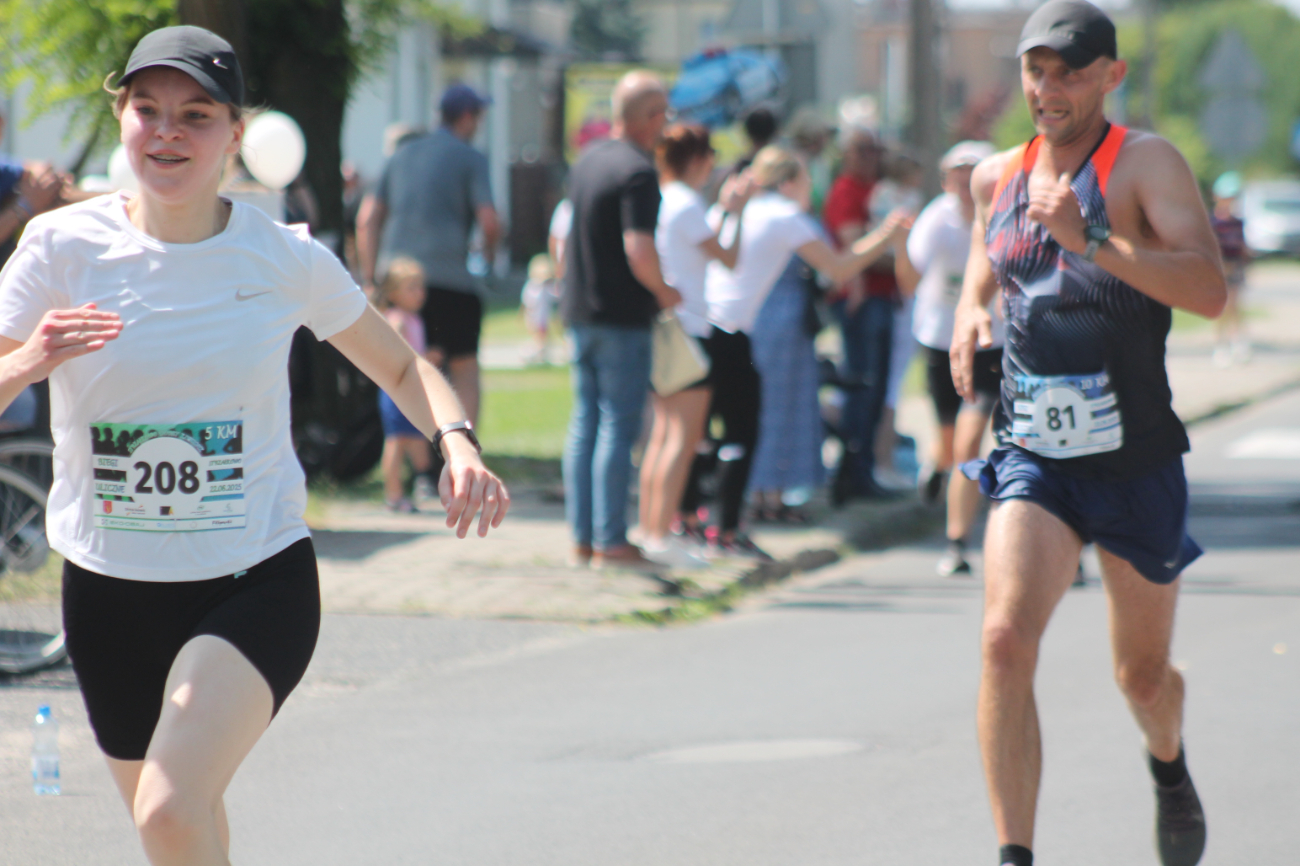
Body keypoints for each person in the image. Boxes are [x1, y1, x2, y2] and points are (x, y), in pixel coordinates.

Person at [0, 26, 508, 865]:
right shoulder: (61, 247)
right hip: (107, 584)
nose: (167, 132)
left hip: (253, 578)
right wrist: (29, 361)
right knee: (183, 824)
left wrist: (458, 444)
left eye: (196, 115)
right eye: (148, 109)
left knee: (169, 809)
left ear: (236, 133)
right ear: (122, 117)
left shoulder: (282, 257)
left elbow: (401, 364)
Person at [949, 4, 1226, 865]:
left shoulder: (1144, 163)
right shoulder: (996, 176)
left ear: (1111, 75)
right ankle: (1014, 855)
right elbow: (984, 261)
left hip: (1134, 459)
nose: (1049, 88)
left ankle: (1168, 766)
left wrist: (1092, 238)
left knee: (1141, 677)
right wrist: (968, 313)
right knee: (1003, 640)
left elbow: (1208, 289)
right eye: (1036, 70)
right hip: (1033, 453)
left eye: (1069, 71)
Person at [681, 146, 908, 557]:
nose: (810, 188)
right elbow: (838, 268)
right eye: (805, 179)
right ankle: (727, 531)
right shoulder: (784, 216)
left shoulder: (733, 209)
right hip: (731, 330)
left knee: (697, 433)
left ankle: (687, 524)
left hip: (698, 326)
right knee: (741, 435)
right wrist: (887, 235)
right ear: (788, 183)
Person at [560, 71, 680, 569]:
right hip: (622, 316)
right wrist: (665, 292)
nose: (666, 124)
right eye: (664, 114)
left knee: (584, 424)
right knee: (618, 426)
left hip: (580, 310)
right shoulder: (638, 170)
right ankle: (612, 540)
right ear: (650, 117)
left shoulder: (588, 160)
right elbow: (639, 250)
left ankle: (583, 538)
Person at [638, 123, 749, 567]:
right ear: (699, 160)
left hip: (665, 328)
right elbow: (729, 257)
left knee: (661, 435)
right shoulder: (687, 202)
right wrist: (735, 211)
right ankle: (660, 535)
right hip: (690, 330)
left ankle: (649, 529)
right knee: (681, 440)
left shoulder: (662, 199)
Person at [356, 84, 500, 424]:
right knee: (464, 367)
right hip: (452, 280)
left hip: (399, 281)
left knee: (404, 370)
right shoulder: (471, 157)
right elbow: (490, 221)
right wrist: (488, 260)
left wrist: (372, 278)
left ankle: (413, 450)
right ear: (467, 117)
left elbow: (367, 219)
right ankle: (463, 447)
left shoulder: (400, 154)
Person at [895, 140, 1001, 577]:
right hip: (941, 340)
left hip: (991, 344)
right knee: (947, 442)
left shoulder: (1007, 216)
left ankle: (956, 543)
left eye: (971, 175)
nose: (963, 185)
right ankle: (936, 467)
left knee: (968, 443)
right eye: (956, 176)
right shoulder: (936, 219)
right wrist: (900, 246)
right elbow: (909, 281)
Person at [822, 126, 901, 498]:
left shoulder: (881, 189)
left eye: (875, 150)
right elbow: (855, 250)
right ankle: (852, 473)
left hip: (884, 297)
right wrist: (903, 257)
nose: (871, 157)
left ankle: (864, 471)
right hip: (860, 298)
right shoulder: (846, 191)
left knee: (877, 387)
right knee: (862, 386)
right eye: (862, 149)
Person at [746, 252, 825, 522]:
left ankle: (760, 495)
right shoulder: (792, 227)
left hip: (750, 317)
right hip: (783, 321)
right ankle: (773, 498)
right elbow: (836, 267)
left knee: (760, 408)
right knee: (781, 410)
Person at [374, 257, 435, 511]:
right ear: (393, 293)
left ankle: (423, 482)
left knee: (417, 437)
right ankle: (394, 494)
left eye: (420, 287)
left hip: (412, 391)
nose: (419, 293)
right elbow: (396, 354)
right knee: (397, 441)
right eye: (411, 288)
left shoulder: (414, 319)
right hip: (396, 392)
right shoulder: (397, 320)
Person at [1208, 170, 1250, 367]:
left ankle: (1238, 343)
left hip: (1235, 269)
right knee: (1221, 309)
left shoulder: (1237, 222)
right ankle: (1220, 346)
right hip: (1219, 270)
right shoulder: (1212, 222)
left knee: (1235, 307)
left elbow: (1242, 248)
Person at [519, 252, 558, 365]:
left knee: (543, 338)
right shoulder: (533, 286)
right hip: (536, 317)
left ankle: (542, 356)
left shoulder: (545, 287)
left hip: (543, 317)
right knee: (540, 338)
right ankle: (534, 355)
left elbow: (555, 295)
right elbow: (527, 303)